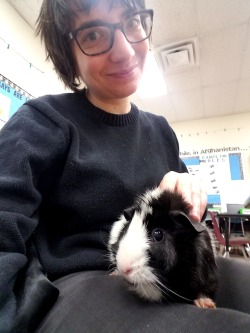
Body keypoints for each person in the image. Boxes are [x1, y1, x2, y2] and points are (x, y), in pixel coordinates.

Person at [0, 0, 250, 332]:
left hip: (165, 269)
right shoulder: (43, 121)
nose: (124, 50)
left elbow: (187, 227)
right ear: (67, 55)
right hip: (80, 283)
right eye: (92, 34)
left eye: (132, 22)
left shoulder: (162, 132)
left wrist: (187, 195)